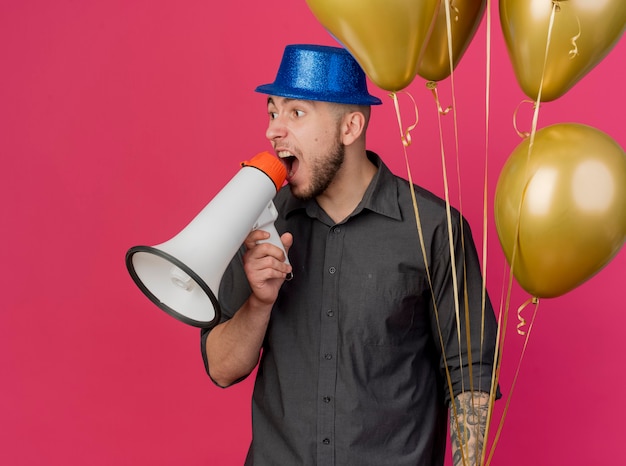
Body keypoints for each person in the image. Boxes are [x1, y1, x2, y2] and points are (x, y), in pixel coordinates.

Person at [201, 44, 499, 466]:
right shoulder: (259, 220)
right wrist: (259, 303)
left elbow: (471, 372)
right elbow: (221, 368)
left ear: (351, 127)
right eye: (272, 112)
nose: (273, 131)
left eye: (296, 113)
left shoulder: (433, 227)